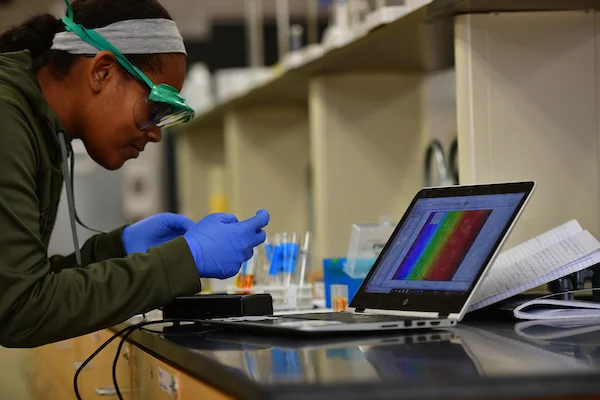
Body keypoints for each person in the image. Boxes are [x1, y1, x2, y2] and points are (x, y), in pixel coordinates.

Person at [0, 0, 269, 348]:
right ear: (103, 71)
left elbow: (21, 281)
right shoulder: (7, 119)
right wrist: (183, 260)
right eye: (156, 107)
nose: (156, 133)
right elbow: (21, 308)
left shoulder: (38, 125)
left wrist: (119, 248)